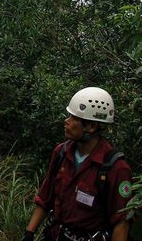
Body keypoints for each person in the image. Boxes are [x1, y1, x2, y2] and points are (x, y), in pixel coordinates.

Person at [23, 87, 133, 241]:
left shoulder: (116, 168)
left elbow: (121, 221)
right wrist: (29, 233)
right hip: (56, 235)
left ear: (92, 126)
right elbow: (45, 197)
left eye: (74, 118)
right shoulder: (61, 152)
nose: (66, 121)